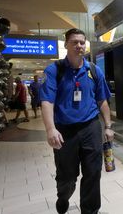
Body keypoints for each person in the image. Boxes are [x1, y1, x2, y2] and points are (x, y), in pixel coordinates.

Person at [40, 28, 113, 214]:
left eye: (82, 42)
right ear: (66, 44)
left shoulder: (94, 71)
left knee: (93, 172)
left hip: (90, 126)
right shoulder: (54, 70)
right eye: (74, 42)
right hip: (64, 130)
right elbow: (47, 101)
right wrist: (50, 129)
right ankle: (63, 196)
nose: (79, 46)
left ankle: (90, 211)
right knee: (67, 177)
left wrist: (108, 126)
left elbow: (102, 100)